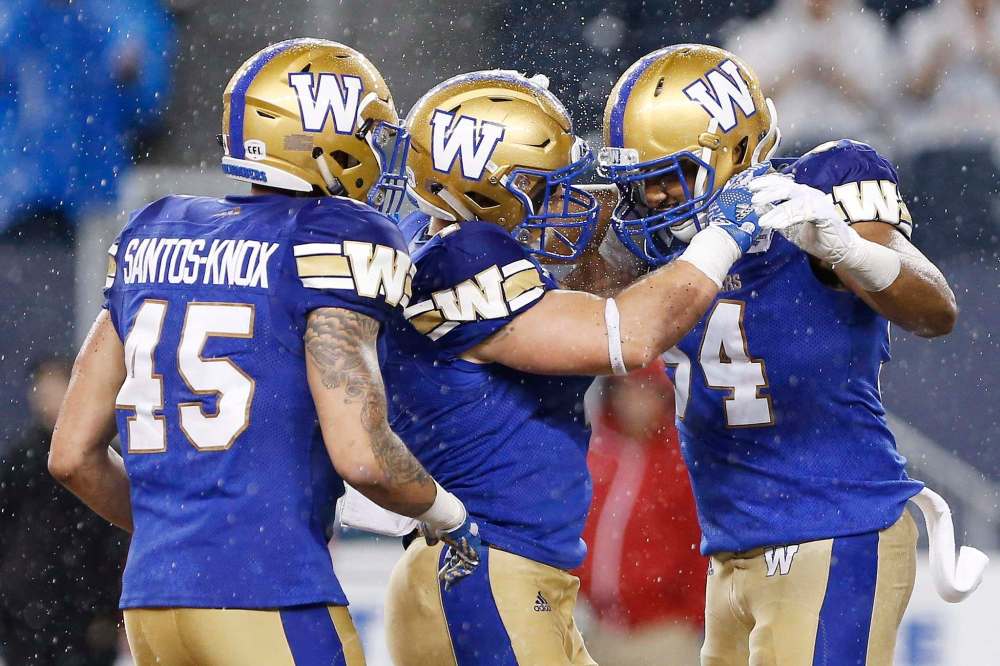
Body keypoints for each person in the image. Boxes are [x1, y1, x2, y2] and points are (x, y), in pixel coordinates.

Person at [48, 38, 478, 666]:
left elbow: (71, 456)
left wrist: (189, 533)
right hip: (270, 595)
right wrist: (448, 515)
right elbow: (363, 456)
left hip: (153, 602)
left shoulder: (155, 229)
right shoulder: (337, 236)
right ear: (321, 136)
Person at [380, 69, 766, 666]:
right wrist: (723, 236)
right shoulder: (466, 258)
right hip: (491, 570)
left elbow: (586, 296)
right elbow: (628, 335)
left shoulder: (426, 239)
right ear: (486, 192)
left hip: (483, 569)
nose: (566, 203)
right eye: (544, 186)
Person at [599, 44, 961, 665]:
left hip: (830, 524)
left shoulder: (824, 190)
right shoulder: (662, 241)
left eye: (669, 175)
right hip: (731, 544)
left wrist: (851, 250)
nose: (653, 199)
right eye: (640, 183)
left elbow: (936, 311)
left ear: (732, 151)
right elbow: (591, 321)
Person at [577, 362, 706, 666]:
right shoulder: (596, 452)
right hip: (597, 632)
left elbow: (699, 548)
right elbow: (576, 529)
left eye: (646, 390)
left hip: (664, 634)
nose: (635, 401)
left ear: (664, 396)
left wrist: (695, 619)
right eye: (626, 390)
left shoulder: (683, 462)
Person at [0, 358, 125, 666]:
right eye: (42, 389)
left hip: (87, 614)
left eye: (57, 387)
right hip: (27, 612)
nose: (48, 397)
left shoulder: (103, 460)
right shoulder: (20, 462)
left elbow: (117, 539)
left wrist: (110, 611)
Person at [726, 0, 894, 154]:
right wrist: (794, 74)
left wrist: (835, 77)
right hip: (786, 142)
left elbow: (888, 104)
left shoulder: (868, 32)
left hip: (853, 139)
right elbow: (741, 106)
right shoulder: (762, 35)